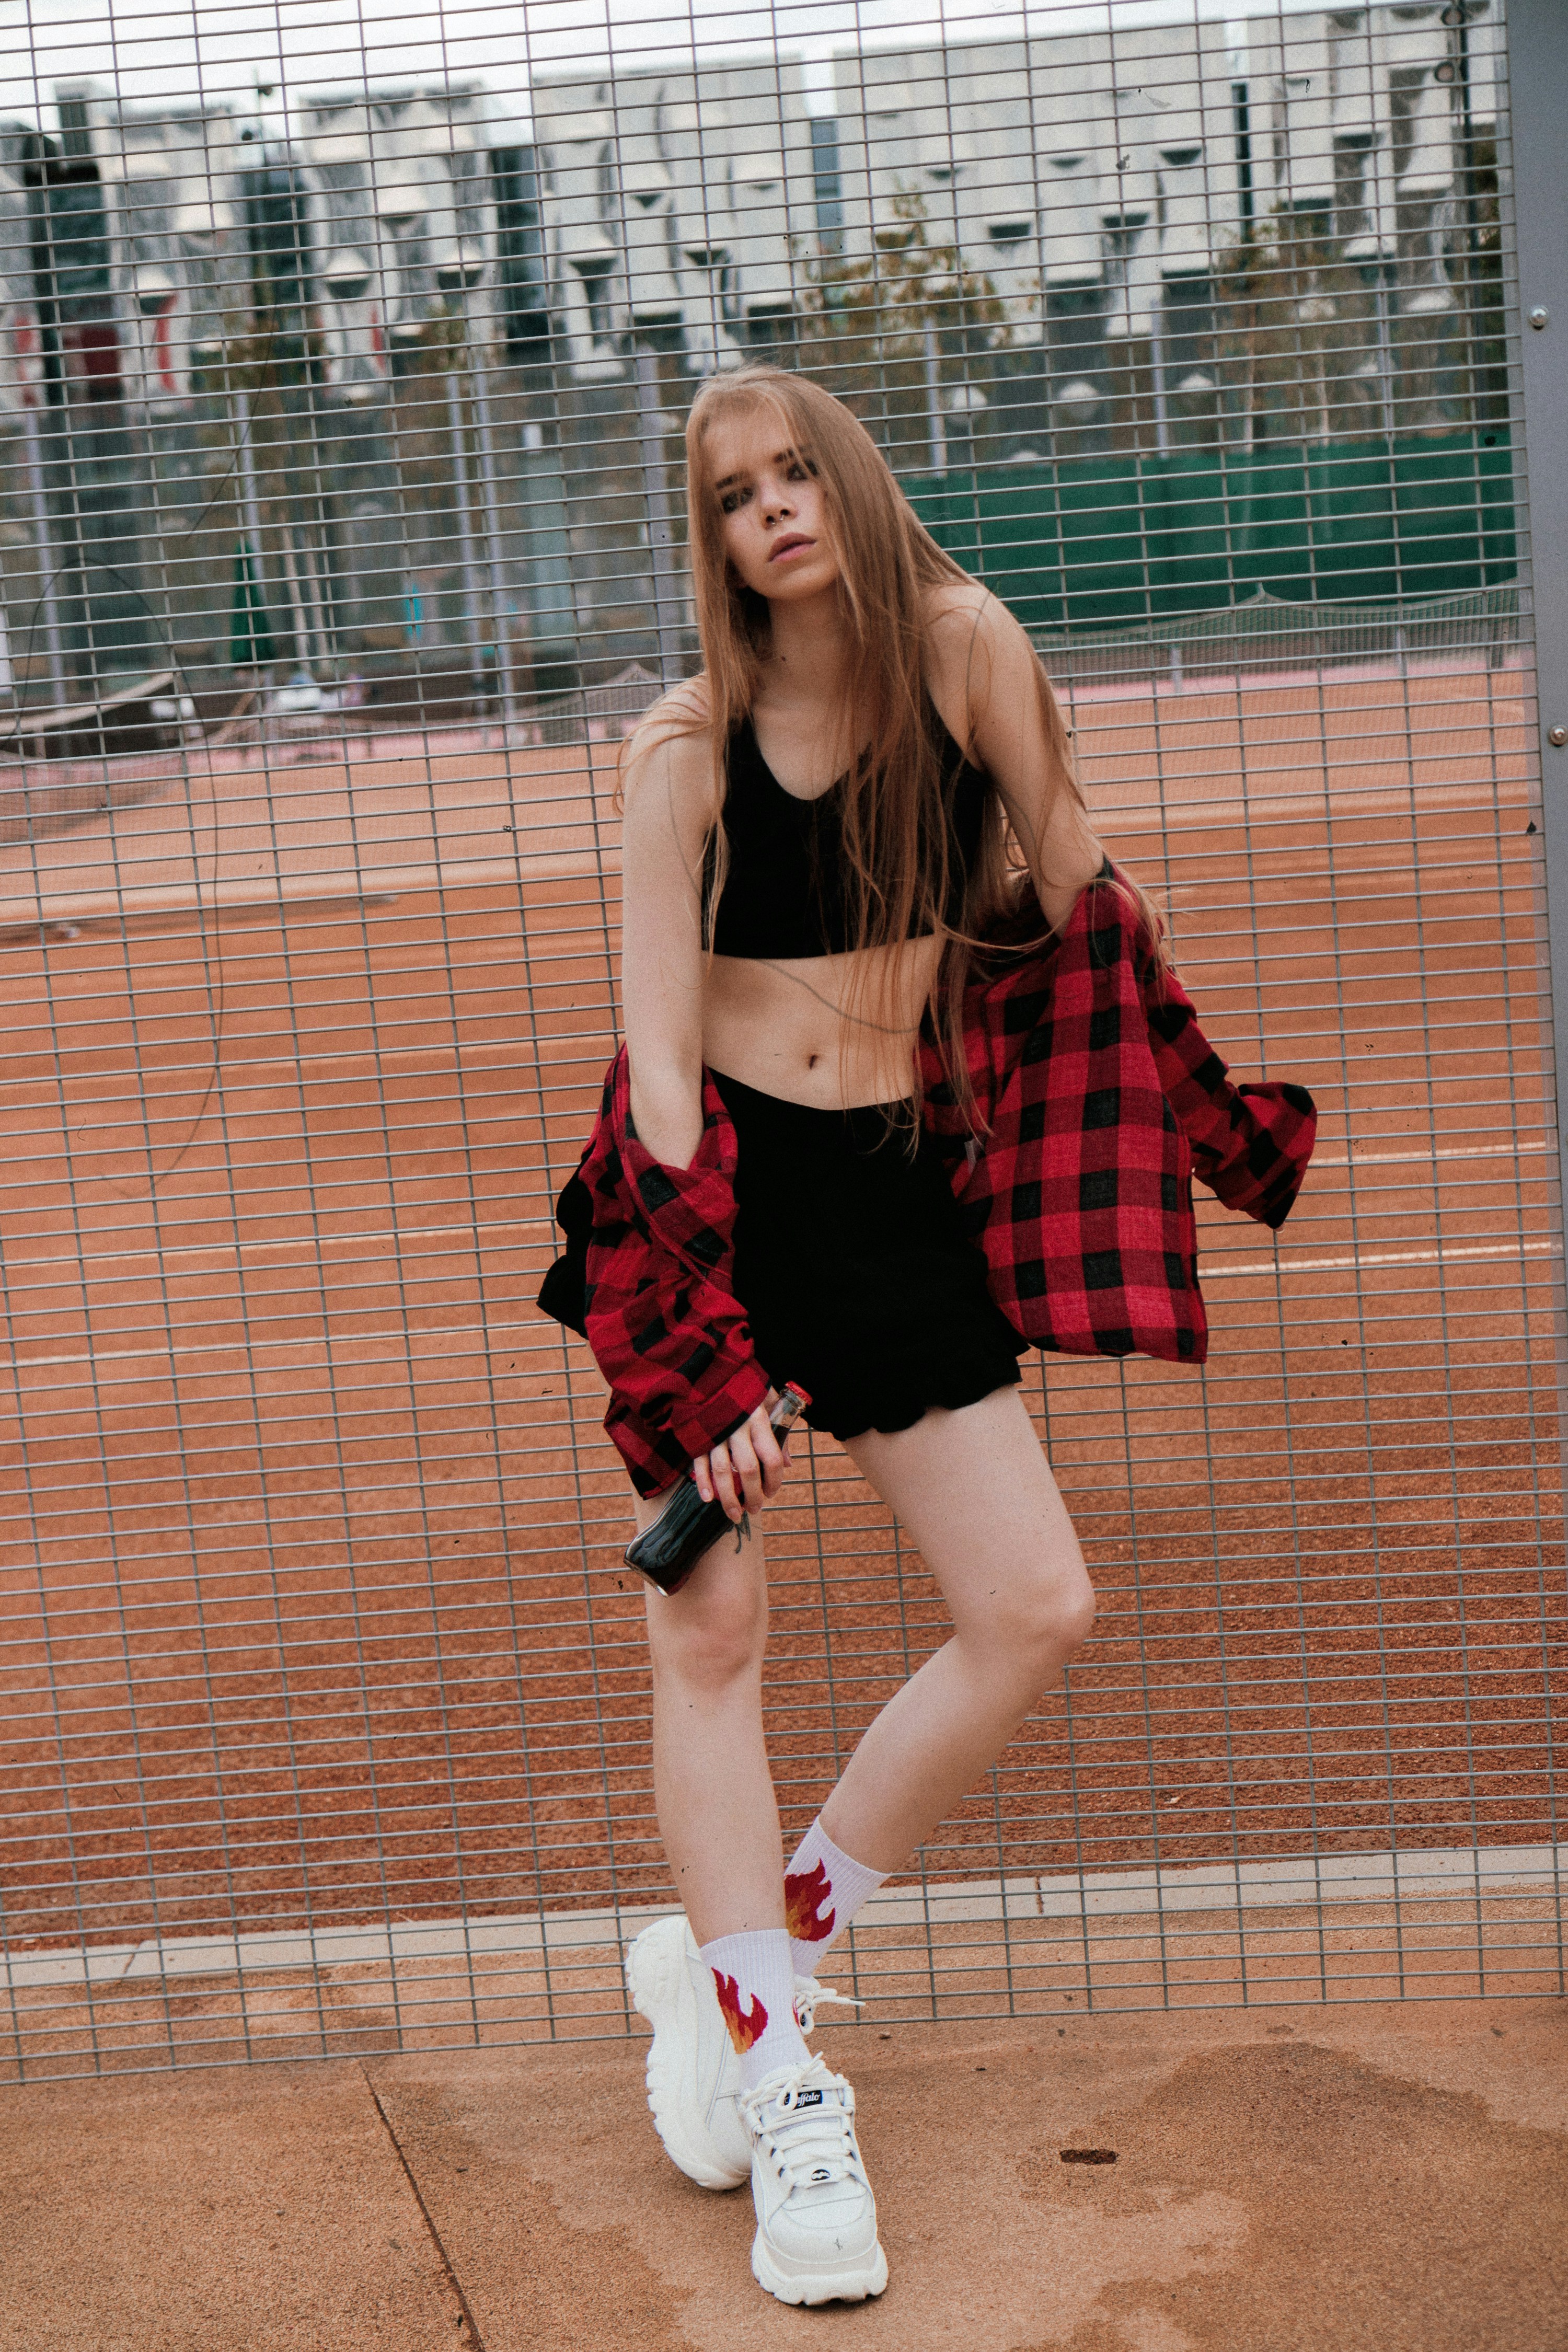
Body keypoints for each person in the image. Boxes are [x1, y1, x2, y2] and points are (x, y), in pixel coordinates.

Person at [537, 364, 1314, 2309]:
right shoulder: (683, 749)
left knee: (1033, 1597)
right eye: (735, 494)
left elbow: (1086, 903)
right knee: (711, 1627)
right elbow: (649, 1089)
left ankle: (751, 1950)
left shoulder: (968, 648)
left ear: (852, 485)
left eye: (801, 471)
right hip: (720, 1200)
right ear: (710, 540)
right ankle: (784, 2077)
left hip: (895, 1188)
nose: (777, 508)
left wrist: (1197, 1106)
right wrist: (700, 1346)